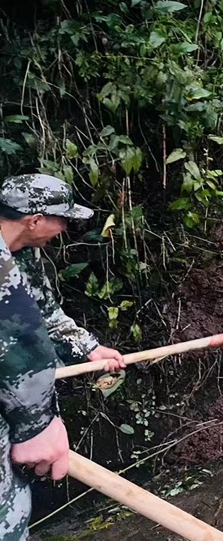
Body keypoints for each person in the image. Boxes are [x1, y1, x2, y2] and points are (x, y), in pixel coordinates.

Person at [0, 174, 123, 540]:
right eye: (62, 219)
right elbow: (16, 339)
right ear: (35, 220)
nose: (66, 228)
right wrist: (37, 424)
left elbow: (43, 313)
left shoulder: (25, 254)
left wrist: (88, 347)